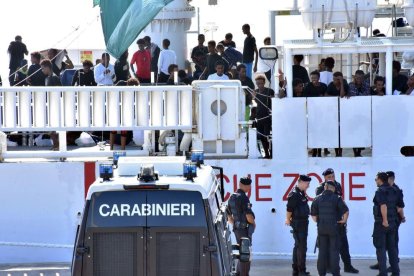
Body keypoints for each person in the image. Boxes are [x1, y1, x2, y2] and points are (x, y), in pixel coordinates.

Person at [315, 168, 359, 274]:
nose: (332, 178)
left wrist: (343, 217)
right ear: (324, 178)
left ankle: (347, 266)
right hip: (327, 223)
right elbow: (319, 206)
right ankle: (329, 268)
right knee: (328, 248)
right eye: (329, 177)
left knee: (344, 245)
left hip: (339, 221)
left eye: (333, 176)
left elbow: (341, 201)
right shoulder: (320, 188)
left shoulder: (338, 185)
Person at [311, 180, 349, 276]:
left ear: (325, 187)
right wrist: (343, 221)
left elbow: (314, 216)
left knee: (322, 252)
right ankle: (336, 273)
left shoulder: (316, 199)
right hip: (334, 229)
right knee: (334, 252)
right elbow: (346, 211)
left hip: (321, 229)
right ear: (333, 188)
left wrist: (320, 221)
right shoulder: (337, 198)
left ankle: (321, 273)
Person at [370, 171, 406, 272]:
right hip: (393, 223)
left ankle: (383, 273)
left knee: (381, 248)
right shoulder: (396, 190)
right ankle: (395, 272)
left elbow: (383, 206)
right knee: (392, 248)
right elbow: (400, 207)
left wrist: (385, 220)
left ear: (381, 180)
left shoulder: (380, 191)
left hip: (382, 224)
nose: (375, 181)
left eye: (376, 179)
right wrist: (402, 218)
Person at [227, 176, 256, 276]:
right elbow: (249, 216)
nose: (250, 187)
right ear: (244, 185)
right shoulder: (243, 197)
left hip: (237, 228)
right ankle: (243, 274)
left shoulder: (232, 196)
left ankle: (239, 273)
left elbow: (228, 214)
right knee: (245, 254)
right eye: (248, 185)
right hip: (244, 229)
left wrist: (235, 223)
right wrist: (253, 223)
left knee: (241, 251)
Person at [286, 174, 312, 276]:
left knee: (298, 246)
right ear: (300, 182)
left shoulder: (301, 193)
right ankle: (301, 270)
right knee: (301, 247)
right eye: (307, 183)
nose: (308, 186)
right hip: (298, 223)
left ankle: (297, 270)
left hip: (303, 222)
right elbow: (289, 209)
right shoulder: (295, 194)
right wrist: (288, 219)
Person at [41, 59, 62, 150]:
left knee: (54, 126)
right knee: (51, 126)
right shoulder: (46, 78)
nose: (42, 70)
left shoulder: (54, 77)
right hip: (49, 103)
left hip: (55, 104)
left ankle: (57, 145)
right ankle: (55, 144)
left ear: (48, 67)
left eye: (43, 68)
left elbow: (60, 91)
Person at [254, 75, 275, 158]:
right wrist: (253, 96)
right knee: (262, 137)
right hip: (259, 117)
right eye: (258, 84)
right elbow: (255, 102)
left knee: (268, 136)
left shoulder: (270, 91)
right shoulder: (255, 91)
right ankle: (266, 153)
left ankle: (271, 153)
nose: (259, 85)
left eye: (261, 83)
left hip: (268, 117)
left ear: (264, 83)